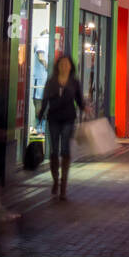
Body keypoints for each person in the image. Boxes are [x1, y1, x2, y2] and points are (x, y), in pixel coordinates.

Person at [38, 55, 83, 200]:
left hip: (68, 119)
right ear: (58, 66)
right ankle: (55, 180)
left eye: (67, 64)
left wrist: (85, 108)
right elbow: (45, 99)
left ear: (71, 67)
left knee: (65, 149)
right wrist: (41, 113)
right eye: (62, 64)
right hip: (54, 119)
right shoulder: (51, 81)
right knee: (54, 150)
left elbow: (79, 100)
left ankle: (63, 184)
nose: (64, 66)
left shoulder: (74, 82)